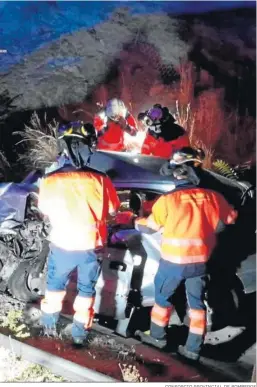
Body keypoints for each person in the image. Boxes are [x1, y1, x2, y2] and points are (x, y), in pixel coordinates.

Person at [115, 147, 238, 360]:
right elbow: (230, 219)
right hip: (200, 263)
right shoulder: (213, 197)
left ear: (176, 173)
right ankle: (193, 349)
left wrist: (134, 221)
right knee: (197, 306)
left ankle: (157, 338)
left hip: (172, 263)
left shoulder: (168, 201)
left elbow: (149, 227)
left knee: (162, 301)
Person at [38, 121, 120, 345]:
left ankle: (48, 328)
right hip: (90, 248)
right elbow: (113, 209)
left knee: (55, 287)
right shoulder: (101, 180)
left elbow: (44, 210)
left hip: (63, 246)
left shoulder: (51, 179)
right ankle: (79, 335)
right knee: (86, 291)